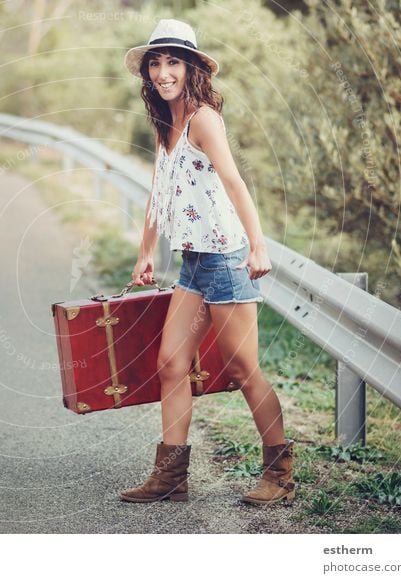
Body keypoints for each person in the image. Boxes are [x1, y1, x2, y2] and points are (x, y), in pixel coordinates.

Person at [118, 19, 295, 506]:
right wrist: (145, 251)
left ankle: (279, 474)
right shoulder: (165, 122)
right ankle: (171, 476)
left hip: (226, 259)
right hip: (193, 263)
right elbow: (159, 191)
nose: (162, 71)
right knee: (171, 364)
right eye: (155, 62)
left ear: (192, 67)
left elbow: (235, 183)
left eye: (172, 61)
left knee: (243, 371)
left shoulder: (203, 119)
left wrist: (258, 247)